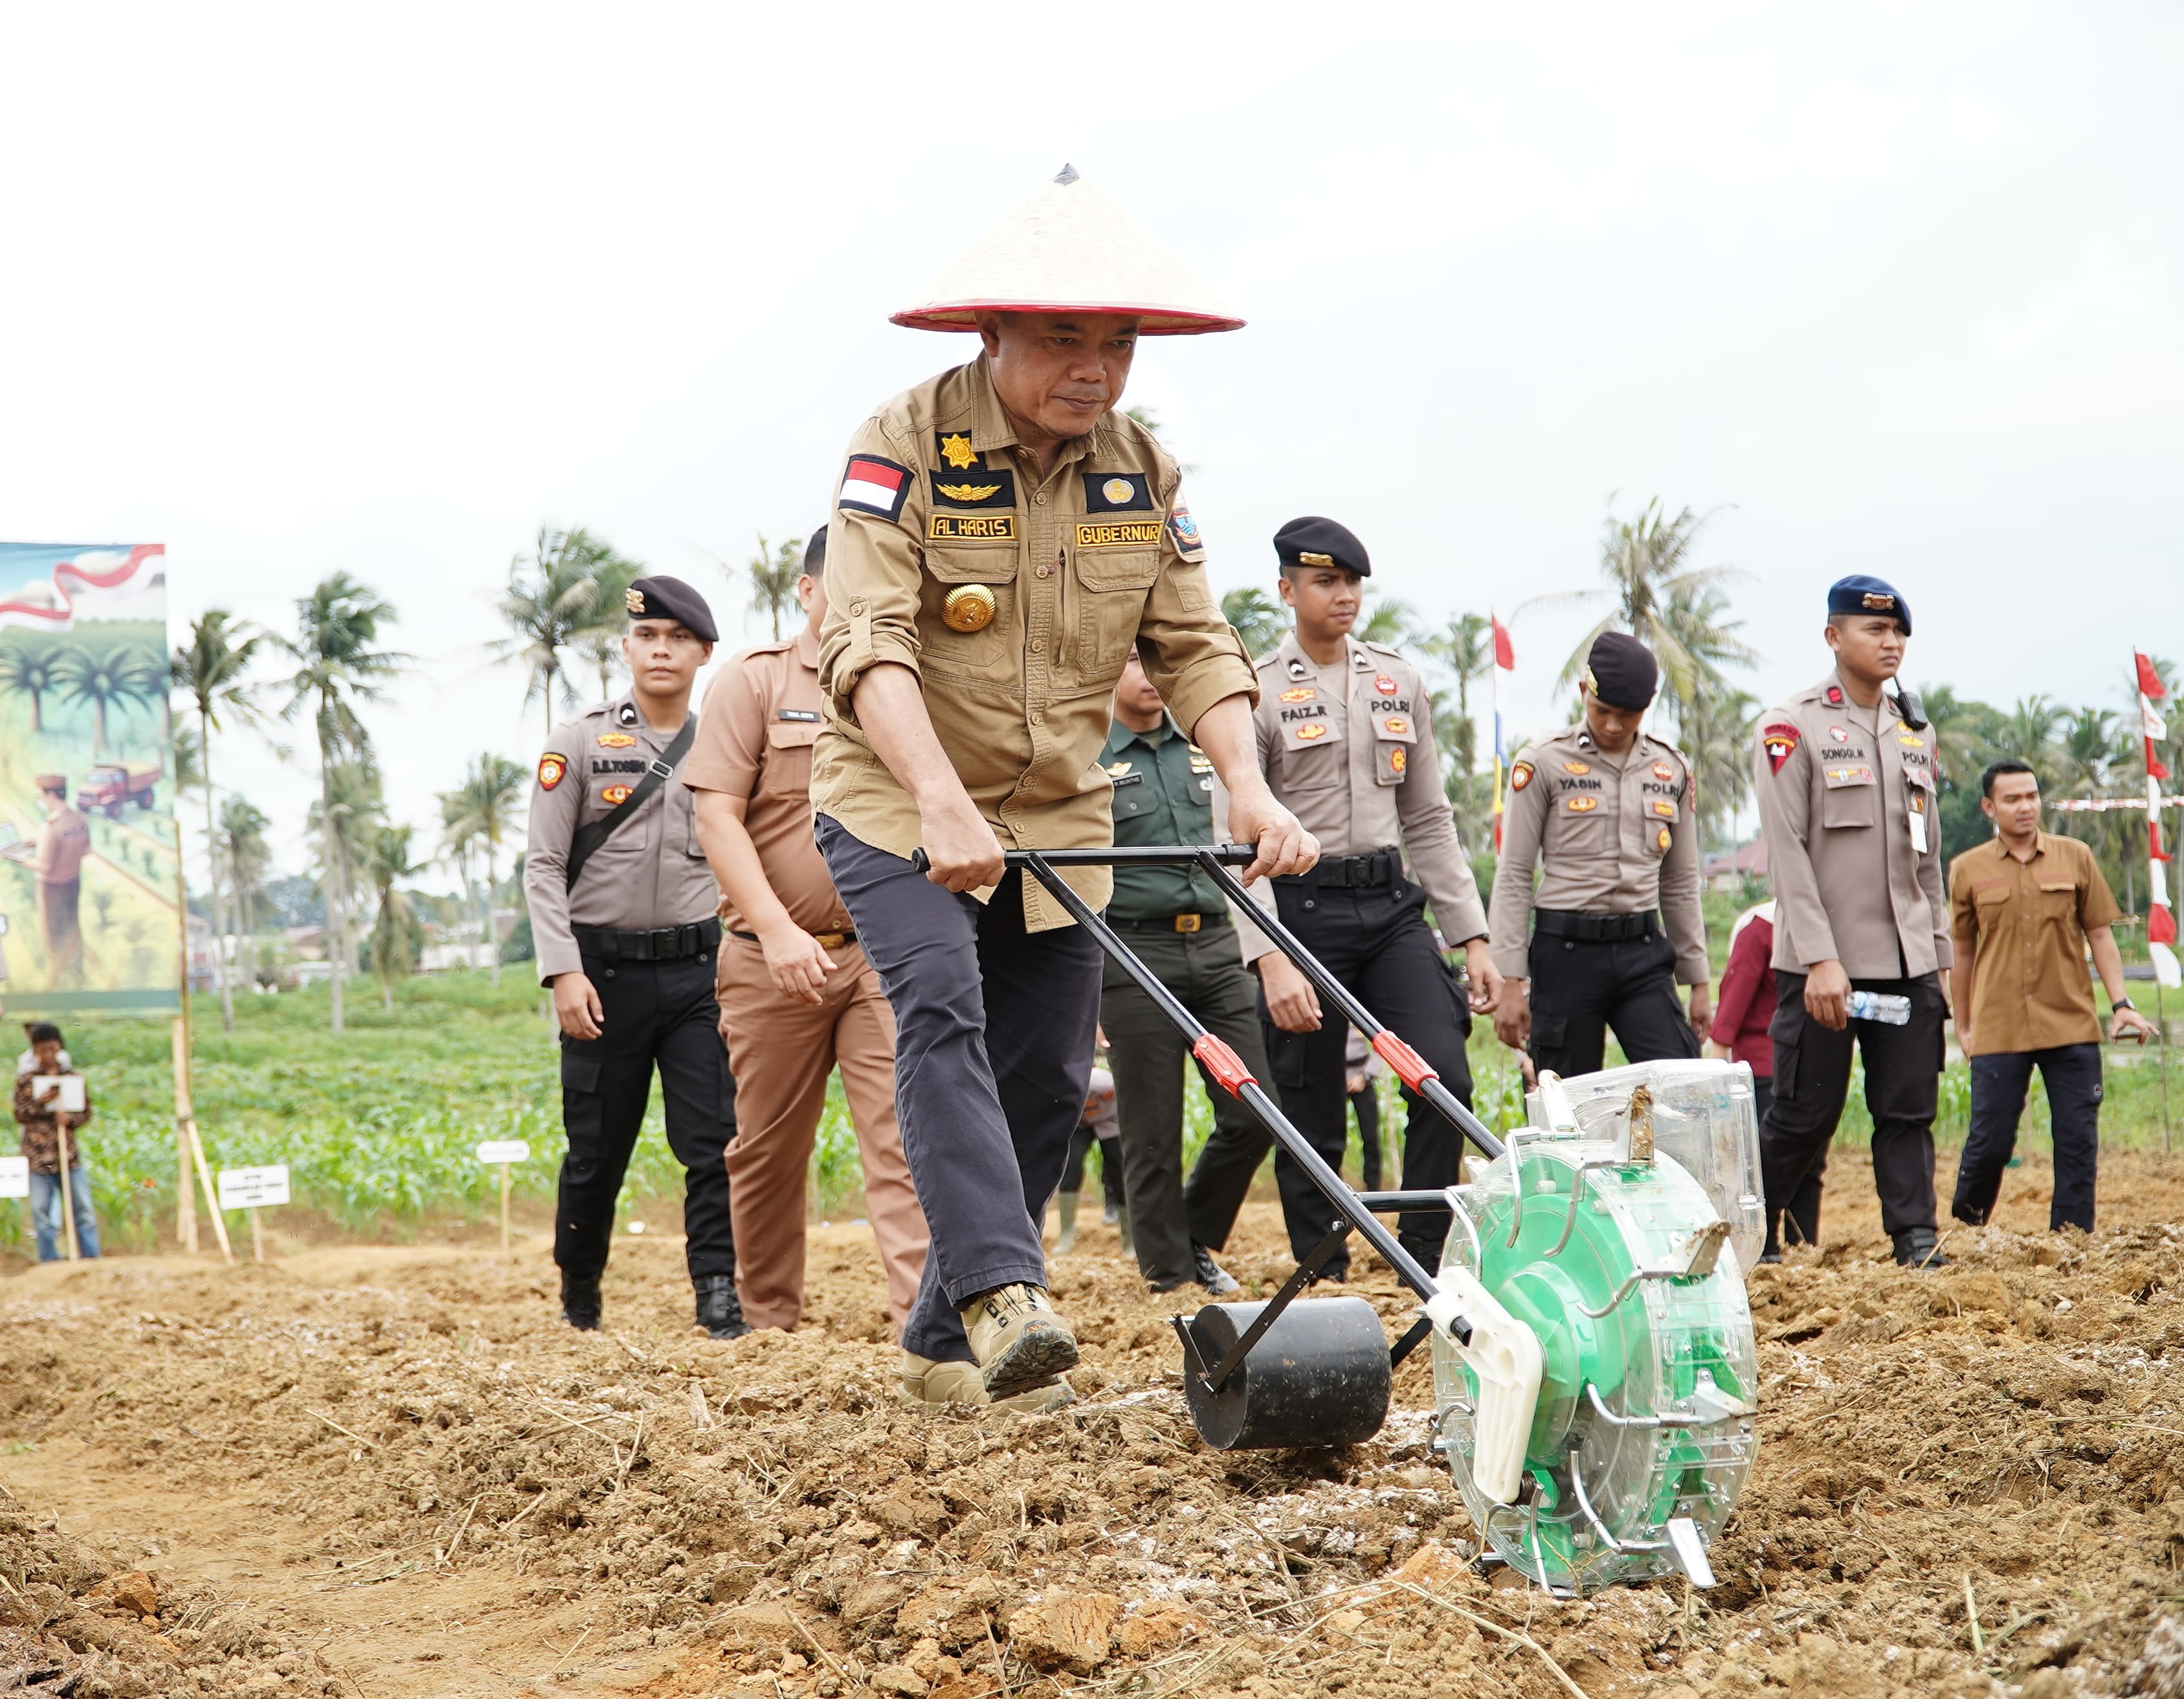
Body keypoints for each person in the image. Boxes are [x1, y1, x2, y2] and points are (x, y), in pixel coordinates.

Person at [810, 166, 1315, 1415]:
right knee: (940, 1008)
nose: (1093, 370)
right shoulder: (900, 444)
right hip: (894, 794)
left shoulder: (1141, 470)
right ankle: (999, 1290)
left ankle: (940, 1344)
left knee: (1044, 1074)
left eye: (1116, 342)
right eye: (1061, 339)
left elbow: (1190, 643)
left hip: (1057, 811)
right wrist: (936, 796)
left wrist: (1244, 784)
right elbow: (865, 637)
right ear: (992, 333)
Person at [1221, 516, 1500, 1281]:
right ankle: (1324, 1273)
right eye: (1325, 581)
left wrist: (1472, 937)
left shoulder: (1397, 680)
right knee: (1308, 1104)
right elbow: (1235, 839)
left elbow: (1429, 818)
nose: (1343, 594)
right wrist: (1270, 958)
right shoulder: (1254, 690)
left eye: (1350, 581)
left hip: (1388, 910)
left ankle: (1424, 1254)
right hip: (1298, 914)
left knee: (1444, 1078)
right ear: (1287, 590)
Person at [685, 528, 928, 1339]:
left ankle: (925, 1331)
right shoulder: (753, 680)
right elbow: (717, 817)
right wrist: (777, 929)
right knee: (767, 1151)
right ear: (807, 589)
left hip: (880, 956)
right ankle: (768, 1329)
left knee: (905, 1142)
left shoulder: (908, 681)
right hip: (769, 961)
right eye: (842, 582)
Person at [524, 575, 745, 1339]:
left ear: (704, 652)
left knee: (713, 1144)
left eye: (678, 638)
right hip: (600, 978)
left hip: (697, 976)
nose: (661, 650)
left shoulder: (724, 744)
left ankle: (717, 1292)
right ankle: (579, 1292)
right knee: (596, 1152)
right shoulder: (578, 741)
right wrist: (563, 970)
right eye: (647, 636)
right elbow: (543, 865)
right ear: (625, 647)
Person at [1752, 575, 1952, 1268]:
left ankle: (1914, 1238)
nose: (1890, 642)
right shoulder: (1790, 726)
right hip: (1824, 966)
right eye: (1874, 630)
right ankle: (1750, 1233)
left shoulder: (1915, 731)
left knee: (1907, 1107)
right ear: (1833, 637)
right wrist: (1819, 958)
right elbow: (1787, 853)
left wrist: (1939, 959)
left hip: (1905, 963)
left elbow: (1927, 857)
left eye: (1898, 632)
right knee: (1803, 1113)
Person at [1097, 647, 1275, 1295]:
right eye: (1132, 662)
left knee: (1256, 1111)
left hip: (1216, 942)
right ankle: (1167, 1278)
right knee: (1150, 1133)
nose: (1147, 676)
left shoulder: (1207, 742)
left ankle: (1192, 1235)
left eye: (1154, 662)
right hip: (1132, 951)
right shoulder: (1089, 754)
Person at [1488, 633, 1710, 1077]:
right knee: (1567, 1097)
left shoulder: (1671, 769)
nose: (1611, 726)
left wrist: (1699, 981)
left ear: (1647, 707)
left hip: (1642, 954)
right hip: (1565, 955)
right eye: (1601, 710)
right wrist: (1509, 980)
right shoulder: (1543, 762)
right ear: (1583, 692)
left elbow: (1680, 883)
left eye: (1627, 715)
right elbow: (1514, 874)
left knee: (1681, 1082)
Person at [1948, 759, 2156, 1233]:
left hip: (2070, 1024)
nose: (2026, 807)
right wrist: (1963, 1023)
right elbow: (1962, 951)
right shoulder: (1966, 869)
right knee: (1990, 1141)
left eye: (2032, 796)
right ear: (1989, 807)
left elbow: (2100, 934)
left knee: (2077, 1141)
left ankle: (2071, 1240)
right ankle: (1966, 1231)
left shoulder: (2075, 857)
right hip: (1999, 1026)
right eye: (2012, 799)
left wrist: (2121, 1004)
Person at [1707, 899, 1821, 1248]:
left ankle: (1793, 1246)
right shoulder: (1762, 928)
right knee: (1782, 1159)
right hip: (1767, 1067)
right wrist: (1717, 1060)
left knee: (1795, 1159)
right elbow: (1735, 997)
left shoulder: (1788, 924)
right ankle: (1777, 1244)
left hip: (1803, 1064)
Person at [13, 1022, 98, 1261]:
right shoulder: (26, 1081)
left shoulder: (72, 1078)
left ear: (59, 1047)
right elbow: (19, 1114)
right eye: (42, 1050)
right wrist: (40, 1103)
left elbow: (85, 1113)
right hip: (38, 1158)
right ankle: (49, 1261)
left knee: (83, 1211)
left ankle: (90, 1258)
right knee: (41, 1214)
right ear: (35, 1052)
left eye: (51, 1049)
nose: (47, 1055)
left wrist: (69, 1119)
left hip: (68, 1156)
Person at [1049, 1064, 1126, 1256]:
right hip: (1079, 1121)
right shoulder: (1062, 1085)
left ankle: (1130, 1240)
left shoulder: (1105, 1083)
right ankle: (1067, 1235)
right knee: (1071, 1166)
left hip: (1109, 1118)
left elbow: (1124, 1094)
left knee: (1119, 1169)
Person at [30, 777, 89, 985]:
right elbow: (86, 850)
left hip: (52, 889)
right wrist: (41, 843)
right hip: (73, 882)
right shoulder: (79, 818)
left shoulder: (50, 827)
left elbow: (45, 866)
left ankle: (55, 979)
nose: (41, 801)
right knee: (72, 927)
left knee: (53, 934)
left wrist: (19, 859)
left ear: (51, 795)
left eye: (40, 796)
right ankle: (78, 974)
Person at [1344, 1026, 1388, 1192]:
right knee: (1330, 1137)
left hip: (1363, 1078)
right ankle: (1333, 1189)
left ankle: (1374, 1190)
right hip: (1333, 1078)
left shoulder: (1364, 1014)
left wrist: (1366, 1076)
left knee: (1371, 1138)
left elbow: (1382, 1047)